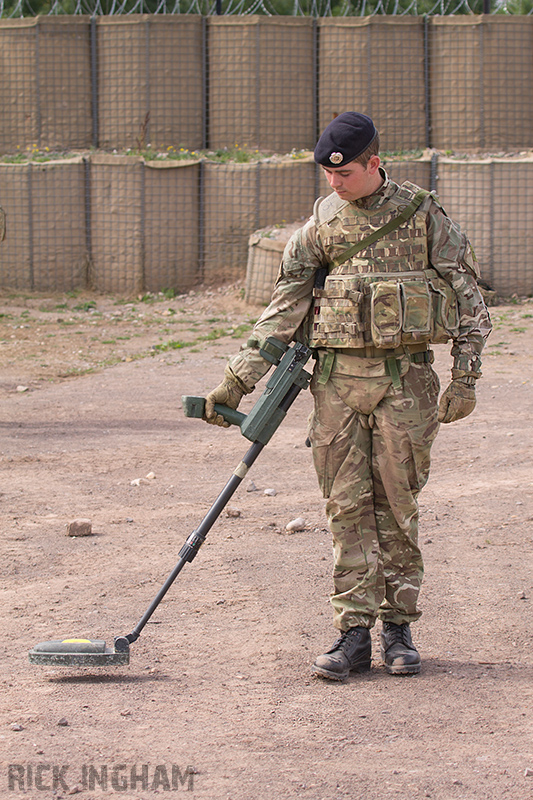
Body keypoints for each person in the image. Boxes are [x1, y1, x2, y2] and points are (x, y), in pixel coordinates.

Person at [203, 112, 491, 681]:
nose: (335, 184)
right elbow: (284, 308)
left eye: (347, 175)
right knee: (345, 508)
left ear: (374, 163)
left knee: (397, 506)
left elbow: (468, 298)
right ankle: (352, 635)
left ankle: (399, 631)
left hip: (405, 383)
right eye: (328, 176)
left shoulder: (422, 214)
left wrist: (466, 377)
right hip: (335, 386)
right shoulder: (319, 225)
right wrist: (237, 379)